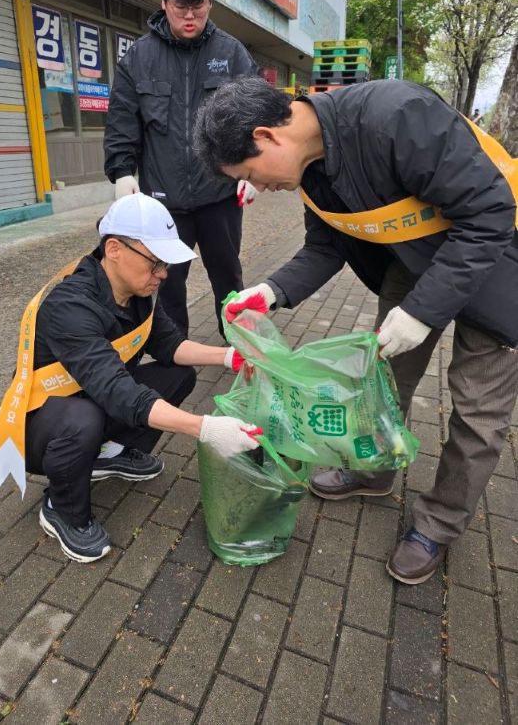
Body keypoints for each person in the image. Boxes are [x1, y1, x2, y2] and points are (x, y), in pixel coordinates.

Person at [194, 75, 518, 585]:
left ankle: (438, 524)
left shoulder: (397, 115)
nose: (255, 188)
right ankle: (373, 471)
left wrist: (423, 312)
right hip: (412, 265)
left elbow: (490, 214)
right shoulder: (310, 169)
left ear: (267, 136)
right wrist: (272, 291)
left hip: (499, 263)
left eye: (250, 174)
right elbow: (326, 247)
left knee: (479, 413)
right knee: (382, 381)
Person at [0, 194, 261, 563]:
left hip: (92, 397)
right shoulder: (70, 305)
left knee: (177, 376)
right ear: (115, 248)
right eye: (155, 263)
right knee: (83, 419)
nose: (164, 274)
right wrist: (206, 428)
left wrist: (231, 356)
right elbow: (117, 391)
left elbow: (170, 346)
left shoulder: (138, 291)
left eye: (166, 263)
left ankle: (107, 455)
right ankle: (62, 508)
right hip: (41, 427)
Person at [104, 0, 259, 338]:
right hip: (163, 201)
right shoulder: (138, 59)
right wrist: (122, 173)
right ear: (163, 2)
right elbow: (123, 121)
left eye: (199, 6)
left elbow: (257, 117)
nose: (189, 16)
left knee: (228, 277)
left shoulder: (231, 54)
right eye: (180, 7)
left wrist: (254, 167)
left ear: (210, 1)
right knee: (167, 284)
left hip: (220, 197)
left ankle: (238, 350)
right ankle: (175, 360)